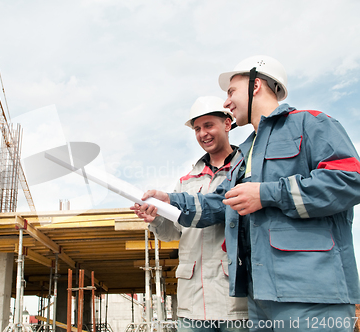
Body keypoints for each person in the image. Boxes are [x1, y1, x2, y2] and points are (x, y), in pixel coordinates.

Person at [134, 55, 360, 331]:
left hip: (312, 294)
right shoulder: (247, 153)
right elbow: (221, 203)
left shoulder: (310, 124)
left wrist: (267, 194)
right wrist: (171, 201)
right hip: (260, 298)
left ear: (256, 86)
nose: (227, 102)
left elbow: (349, 180)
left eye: (231, 92)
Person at [134, 96, 248, 331]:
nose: (202, 134)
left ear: (227, 124)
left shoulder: (247, 169)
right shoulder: (186, 181)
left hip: (236, 304)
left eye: (208, 125)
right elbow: (172, 233)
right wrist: (155, 219)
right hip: (193, 304)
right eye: (197, 128)